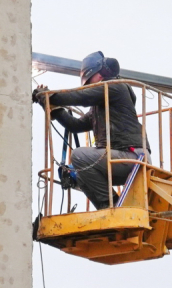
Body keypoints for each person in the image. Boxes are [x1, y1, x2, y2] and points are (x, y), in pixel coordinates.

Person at [33, 51, 150, 210]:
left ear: (101, 75)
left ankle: (113, 208)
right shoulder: (100, 107)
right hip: (120, 160)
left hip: (132, 156)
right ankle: (110, 208)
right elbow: (75, 125)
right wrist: (52, 107)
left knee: (79, 156)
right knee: (80, 172)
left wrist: (48, 96)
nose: (89, 86)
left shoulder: (115, 87)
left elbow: (80, 97)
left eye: (90, 80)